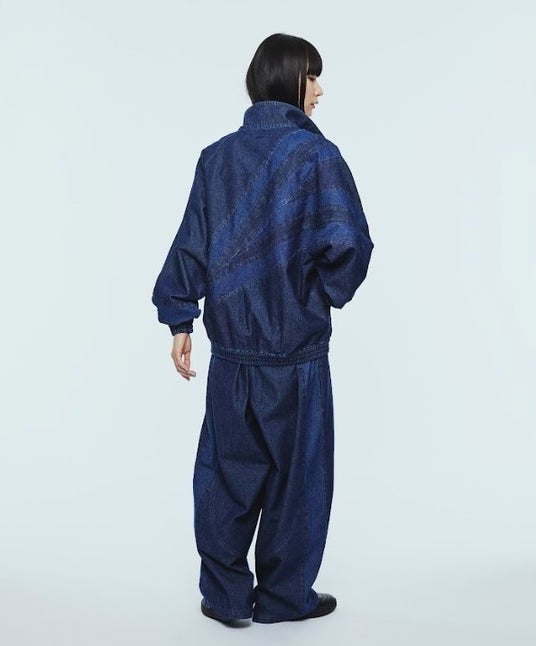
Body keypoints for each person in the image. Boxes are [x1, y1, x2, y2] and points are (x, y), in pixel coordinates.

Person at [151, 33, 374, 624]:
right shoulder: (317, 157)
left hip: (231, 356)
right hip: (296, 355)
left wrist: (180, 318)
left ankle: (225, 597)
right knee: (298, 481)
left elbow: (192, 243)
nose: (320, 90)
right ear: (288, 80)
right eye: (312, 76)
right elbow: (349, 243)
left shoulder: (216, 158)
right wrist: (318, 292)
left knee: (225, 475)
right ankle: (283, 597)